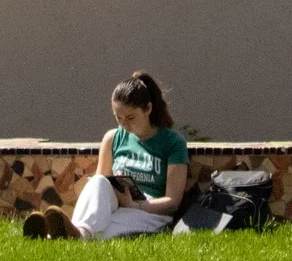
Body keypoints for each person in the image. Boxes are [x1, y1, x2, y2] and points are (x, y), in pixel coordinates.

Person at [25, 71, 189, 240]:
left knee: (106, 231)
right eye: (118, 118)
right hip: (117, 204)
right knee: (98, 181)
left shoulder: (173, 142)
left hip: (150, 211)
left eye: (131, 117)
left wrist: (135, 205)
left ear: (148, 108)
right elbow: (99, 187)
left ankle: (57, 236)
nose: (124, 124)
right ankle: (73, 234)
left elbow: (172, 201)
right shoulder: (113, 138)